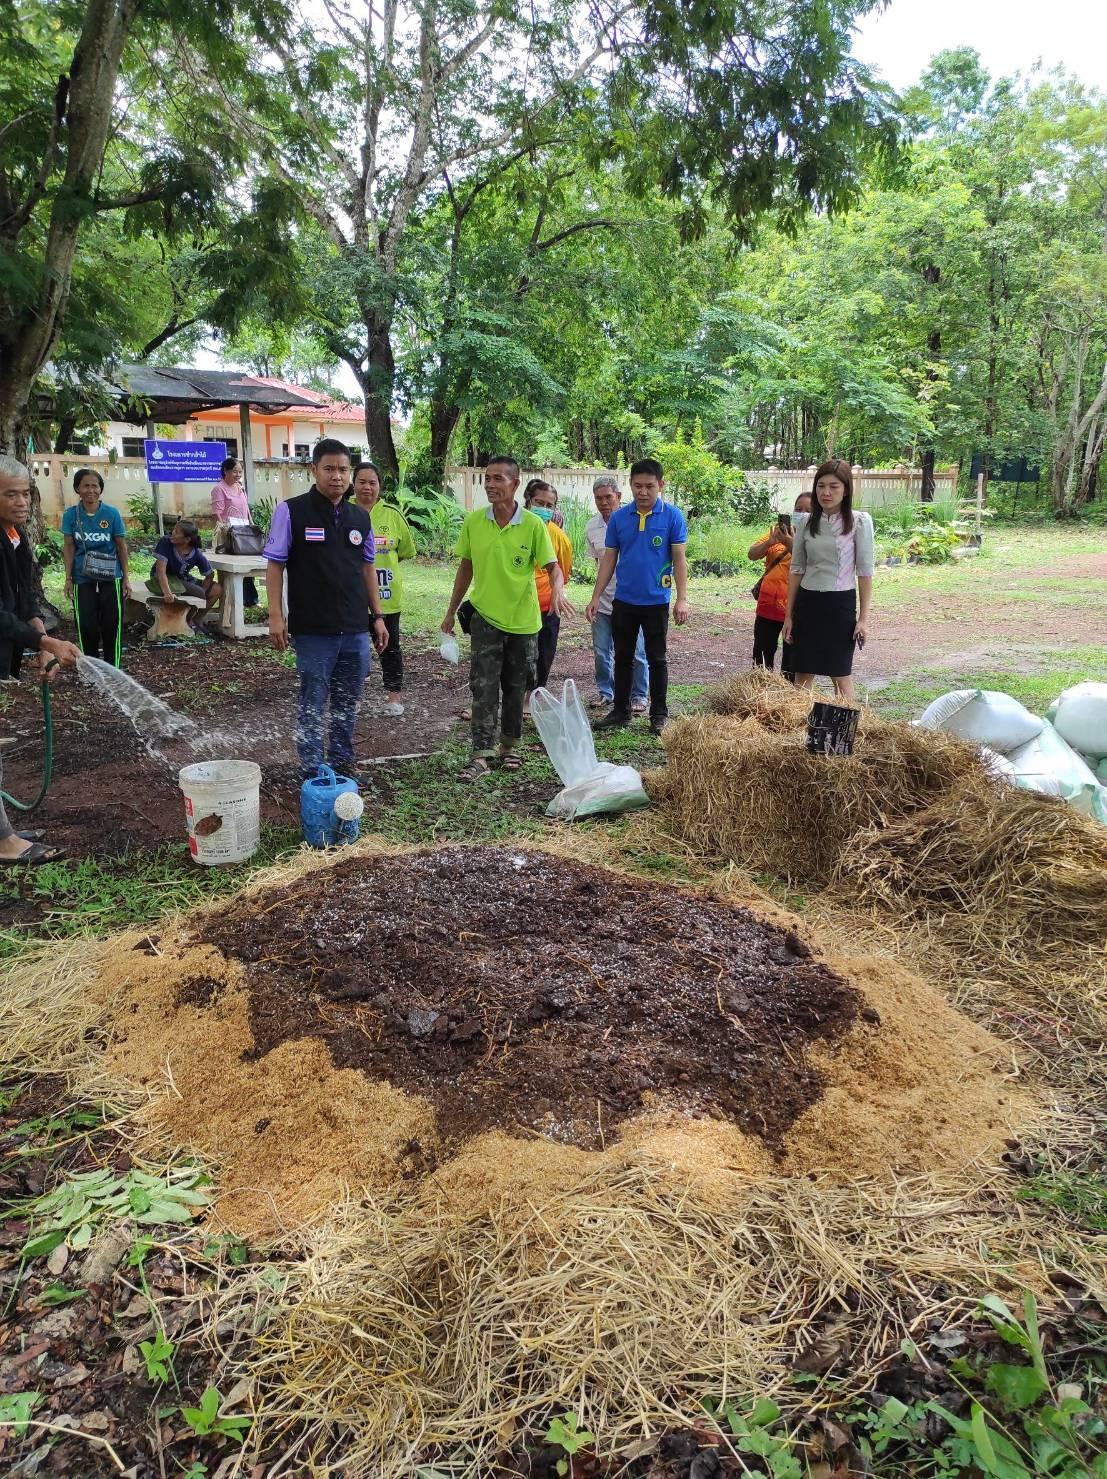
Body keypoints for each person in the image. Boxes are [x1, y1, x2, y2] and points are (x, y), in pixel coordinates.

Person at [441, 455, 571, 782]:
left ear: (515, 483)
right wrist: (450, 611)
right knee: (483, 686)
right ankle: (480, 755)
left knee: (516, 686)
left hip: (524, 622)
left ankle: (509, 746)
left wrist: (558, 590)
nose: (490, 484)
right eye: (488, 478)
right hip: (485, 618)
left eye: (498, 478)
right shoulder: (474, 522)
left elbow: (553, 568)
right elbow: (466, 568)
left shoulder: (532, 524)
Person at [265, 438, 388, 776]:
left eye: (343, 470)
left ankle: (342, 760)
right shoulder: (291, 511)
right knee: (313, 700)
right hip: (313, 628)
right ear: (314, 470)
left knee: (348, 700)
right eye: (329, 469)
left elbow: (367, 568)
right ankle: (311, 767)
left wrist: (377, 617)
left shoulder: (359, 518)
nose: (337, 476)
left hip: (354, 627)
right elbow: (275, 565)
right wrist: (275, 616)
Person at [0, 455, 83, 864]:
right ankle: (4, 843)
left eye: (25, 494)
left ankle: (4, 833)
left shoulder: (14, 535)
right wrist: (47, 642)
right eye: (9, 494)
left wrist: (40, 640)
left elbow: (25, 594)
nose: (21, 502)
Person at [586, 458, 689, 736]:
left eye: (649, 486)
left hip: (656, 602)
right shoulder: (620, 518)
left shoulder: (672, 516)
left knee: (657, 659)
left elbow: (679, 560)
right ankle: (621, 710)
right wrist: (595, 597)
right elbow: (609, 559)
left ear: (661, 485)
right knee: (623, 657)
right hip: (624, 602)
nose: (643, 492)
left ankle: (659, 714)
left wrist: (682, 598)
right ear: (630, 485)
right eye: (637, 486)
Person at [783, 460, 874, 703]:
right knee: (802, 673)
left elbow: (865, 573)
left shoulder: (859, 522)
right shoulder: (805, 522)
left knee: (840, 674)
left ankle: (846, 723)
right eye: (821, 486)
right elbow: (797, 569)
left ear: (846, 490)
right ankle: (798, 722)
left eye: (834, 487)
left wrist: (863, 620)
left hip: (840, 604)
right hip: (807, 603)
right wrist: (789, 616)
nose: (826, 492)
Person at [351, 459, 416, 717]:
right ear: (353, 484)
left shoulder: (393, 515)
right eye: (362, 482)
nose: (367, 487)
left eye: (372, 483)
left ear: (380, 486)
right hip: (350, 597)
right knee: (352, 650)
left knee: (390, 647)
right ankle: (352, 697)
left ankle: (394, 698)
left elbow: (405, 551)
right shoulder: (342, 511)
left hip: (387, 595)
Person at [585, 476, 649, 712]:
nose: (604, 503)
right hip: (603, 602)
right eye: (599, 498)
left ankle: (639, 694)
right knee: (602, 651)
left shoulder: (634, 521)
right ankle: (606, 692)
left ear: (619, 497)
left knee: (636, 652)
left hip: (632, 600)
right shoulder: (592, 527)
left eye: (608, 497)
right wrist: (595, 596)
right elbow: (599, 564)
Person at [61, 468, 130, 666]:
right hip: (82, 577)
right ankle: (90, 667)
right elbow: (69, 547)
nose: (91, 490)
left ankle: (113, 668)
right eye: (86, 486)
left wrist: (126, 578)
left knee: (112, 625)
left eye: (95, 486)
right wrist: (68, 578)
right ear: (77, 488)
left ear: (100, 489)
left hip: (111, 576)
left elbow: (121, 546)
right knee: (86, 626)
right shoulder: (71, 515)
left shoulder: (111, 513)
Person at [747, 492, 812, 680]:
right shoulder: (778, 533)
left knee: (791, 661)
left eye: (808, 510)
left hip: (795, 610)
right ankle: (761, 689)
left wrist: (791, 544)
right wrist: (770, 542)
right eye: (798, 509)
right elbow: (752, 554)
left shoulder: (815, 538)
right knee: (761, 656)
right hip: (767, 606)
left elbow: (813, 564)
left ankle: (787, 692)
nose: (802, 513)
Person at [522, 480, 573, 695]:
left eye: (549, 505)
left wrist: (557, 593)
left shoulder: (559, 537)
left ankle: (532, 697)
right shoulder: (514, 529)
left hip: (547, 606)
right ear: (527, 501)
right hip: (517, 606)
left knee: (543, 654)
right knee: (516, 655)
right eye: (538, 502)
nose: (543, 509)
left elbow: (563, 571)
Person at [209, 457, 258, 608]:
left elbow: (246, 509)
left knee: (247, 563)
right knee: (232, 567)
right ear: (226, 471)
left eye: (240, 472)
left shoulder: (240, 487)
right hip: (229, 533)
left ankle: (250, 600)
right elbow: (217, 513)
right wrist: (224, 527)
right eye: (235, 472)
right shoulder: (219, 489)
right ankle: (231, 601)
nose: (238, 475)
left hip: (244, 532)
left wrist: (251, 524)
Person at [147, 519, 217, 615]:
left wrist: (203, 592)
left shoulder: (196, 553)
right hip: (161, 580)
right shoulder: (165, 542)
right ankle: (188, 620)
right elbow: (160, 571)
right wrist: (167, 593)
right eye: (174, 530)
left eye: (176, 532)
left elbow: (210, 574)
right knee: (199, 592)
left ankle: (195, 619)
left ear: (187, 539)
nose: (172, 533)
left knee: (217, 589)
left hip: (182, 580)